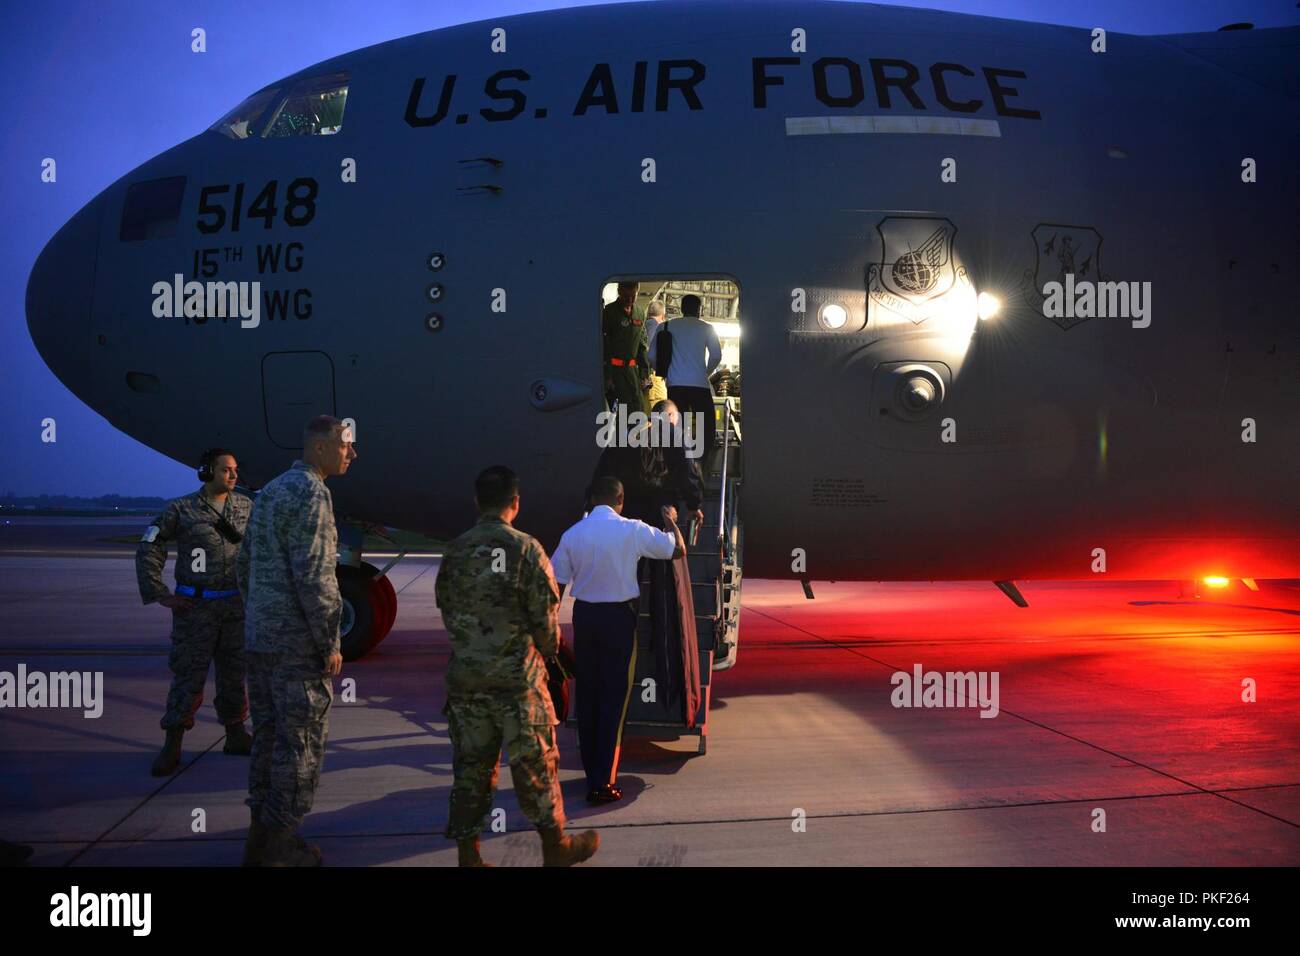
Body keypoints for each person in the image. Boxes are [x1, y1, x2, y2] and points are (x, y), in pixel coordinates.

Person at [434, 465, 599, 867]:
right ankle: (554, 846)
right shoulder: (526, 550)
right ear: (516, 503)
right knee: (536, 765)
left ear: (477, 502)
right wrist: (544, 652)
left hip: (467, 681)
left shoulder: (454, 552)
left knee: (471, 769)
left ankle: (469, 855)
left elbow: (448, 609)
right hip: (518, 684)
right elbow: (547, 628)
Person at [236, 415, 354, 867]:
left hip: (261, 640)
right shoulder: (312, 492)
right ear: (320, 448)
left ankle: (259, 838)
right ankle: (281, 846)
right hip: (295, 647)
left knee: (268, 740)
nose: (352, 453)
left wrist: (259, 618)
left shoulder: (271, 490)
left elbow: (244, 563)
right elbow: (316, 575)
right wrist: (329, 641)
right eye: (346, 445)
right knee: (300, 746)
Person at [551, 477, 685, 803]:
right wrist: (670, 521)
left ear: (591, 499)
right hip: (619, 620)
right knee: (614, 699)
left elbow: (555, 584)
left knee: (589, 696)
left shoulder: (572, 535)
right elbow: (677, 549)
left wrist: (551, 626)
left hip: (585, 619)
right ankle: (603, 782)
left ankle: (591, 774)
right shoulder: (632, 529)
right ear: (620, 500)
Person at [136, 448, 252, 777]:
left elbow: (262, 545)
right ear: (207, 472)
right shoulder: (181, 509)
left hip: (234, 606)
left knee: (233, 675)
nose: (233, 475)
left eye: (235, 469)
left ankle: (236, 735)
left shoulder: (246, 507)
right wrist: (159, 594)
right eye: (226, 469)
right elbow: (149, 545)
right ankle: (172, 743)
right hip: (196, 608)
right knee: (189, 676)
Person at [648, 293, 722, 468]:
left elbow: (651, 356)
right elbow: (717, 355)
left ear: (681, 309)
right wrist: (705, 372)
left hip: (675, 385)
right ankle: (701, 465)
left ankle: (676, 465)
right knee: (706, 428)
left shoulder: (665, 326)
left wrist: (664, 372)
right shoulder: (707, 328)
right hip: (700, 386)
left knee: (675, 429)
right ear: (699, 309)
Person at [602, 281, 650, 416]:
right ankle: (622, 436)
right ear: (619, 292)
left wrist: (645, 375)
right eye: (626, 296)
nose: (630, 300)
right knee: (622, 411)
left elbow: (642, 346)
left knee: (639, 407)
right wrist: (608, 376)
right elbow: (605, 346)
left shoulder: (640, 313)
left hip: (633, 371)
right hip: (615, 371)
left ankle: (637, 435)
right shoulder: (609, 313)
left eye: (633, 296)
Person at [644, 300, 669, 407]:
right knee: (660, 407)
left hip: (644, 376)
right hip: (654, 376)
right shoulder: (656, 328)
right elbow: (651, 353)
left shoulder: (643, 325)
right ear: (663, 316)